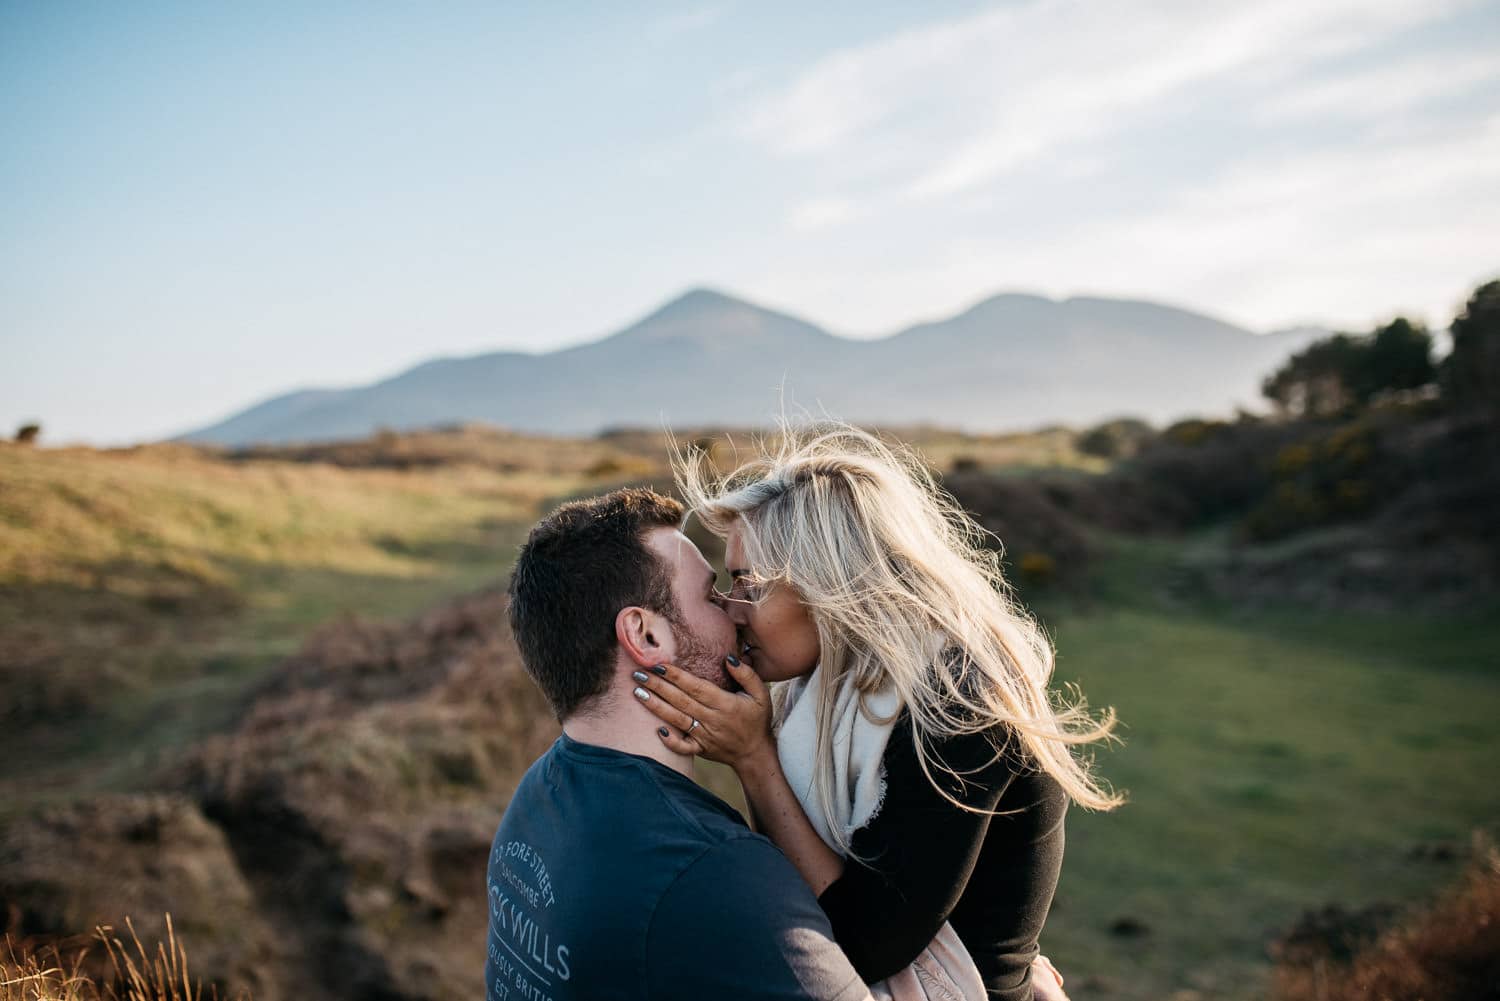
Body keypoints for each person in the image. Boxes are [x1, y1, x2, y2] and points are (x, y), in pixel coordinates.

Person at [631, 424, 1120, 1001]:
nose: (734, 612)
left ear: (832, 582)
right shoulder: (821, 683)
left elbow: (861, 945)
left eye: (749, 584)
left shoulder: (962, 704)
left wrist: (753, 757)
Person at [489, 487, 873, 1001]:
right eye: (711, 595)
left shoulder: (534, 801)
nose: (734, 612)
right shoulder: (715, 871)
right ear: (645, 637)